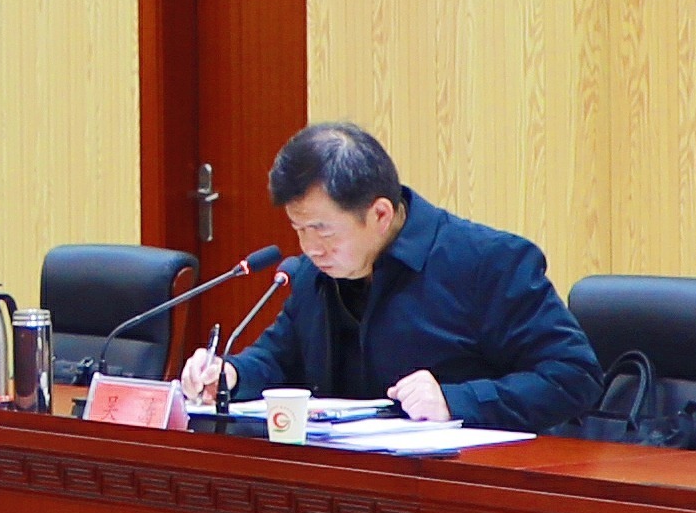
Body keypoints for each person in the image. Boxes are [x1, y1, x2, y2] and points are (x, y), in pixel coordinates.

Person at [172, 121, 598, 431]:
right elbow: (279, 358)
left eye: (322, 230)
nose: (310, 248)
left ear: (380, 214)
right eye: (298, 230)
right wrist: (231, 375)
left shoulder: (489, 263)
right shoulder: (311, 274)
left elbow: (573, 376)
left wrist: (457, 400)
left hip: (463, 486)